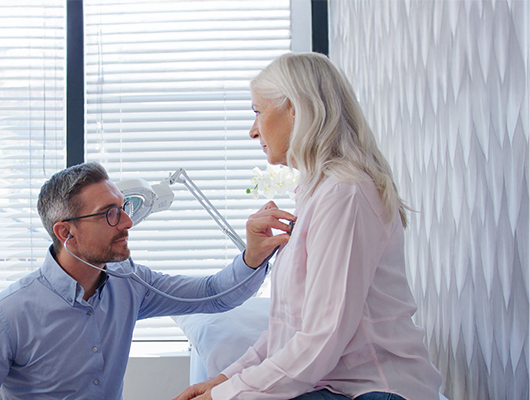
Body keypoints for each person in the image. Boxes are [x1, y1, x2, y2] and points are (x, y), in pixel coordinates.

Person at [173, 52, 442, 400]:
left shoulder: (345, 193)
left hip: (375, 390)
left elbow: (322, 337)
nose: (253, 130)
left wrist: (227, 395)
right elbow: (284, 332)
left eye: (258, 111)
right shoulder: (318, 193)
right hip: (336, 387)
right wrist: (223, 381)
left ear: (296, 110)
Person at [0, 161, 295, 400]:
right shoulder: (5, 317)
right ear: (66, 232)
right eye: (110, 214)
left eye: (123, 208)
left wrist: (253, 255)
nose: (126, 222)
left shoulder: (130, 282)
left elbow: (216, 295)